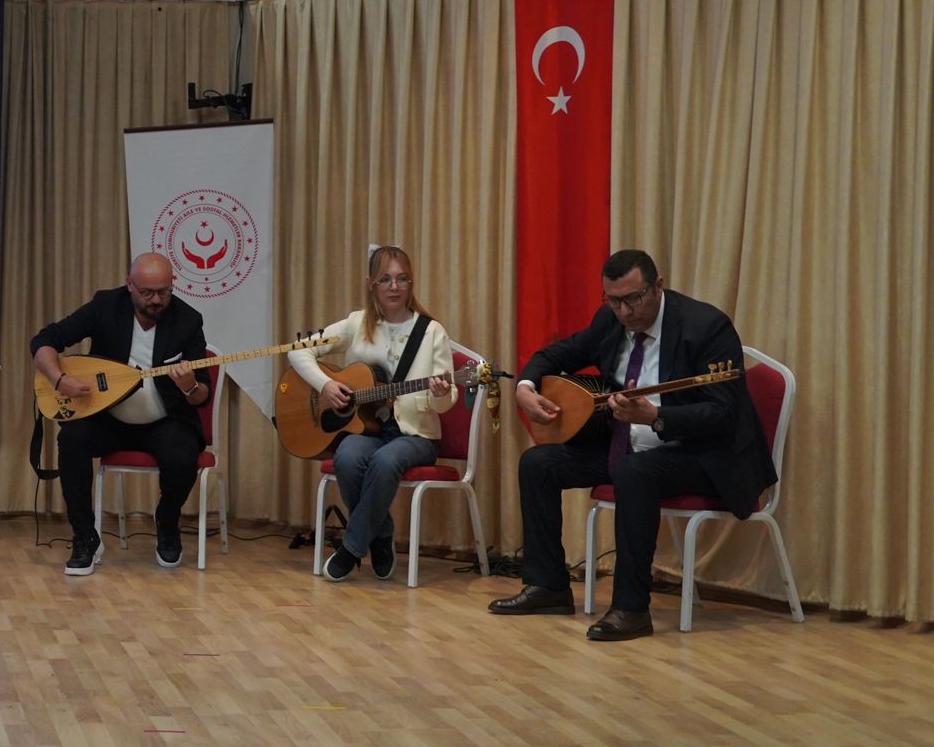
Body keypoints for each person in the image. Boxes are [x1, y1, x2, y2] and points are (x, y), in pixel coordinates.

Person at [489, 249, 776, 642]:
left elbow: (723, 414)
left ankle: (631, 608)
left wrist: (656, 415)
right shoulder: (609, 321)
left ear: (658, 286)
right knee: (539, 462)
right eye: (614, 300)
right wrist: (525, 387)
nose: (624, 311)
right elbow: (555, 354)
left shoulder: (706, 326)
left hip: (701, 454)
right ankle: (547, 586)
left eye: (634, 299)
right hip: (628, 445)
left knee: (633, 470)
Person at [31, 252, 210, 574]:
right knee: (72, 438)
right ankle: (85, 537)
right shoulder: (105, 306)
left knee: (183, 453)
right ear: (130, 285)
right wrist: (59, 379)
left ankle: (167, 521)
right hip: (108, 418)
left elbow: (202, 395)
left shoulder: (188, 320)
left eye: (164, 292)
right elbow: (45, 340)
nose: (157, 300)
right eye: (147, 292)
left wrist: (189, 386)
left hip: (163, 421)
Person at [288, 245, 457, 582]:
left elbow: (446, 399)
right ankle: (380, 533)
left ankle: (351, 549)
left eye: (402, 279)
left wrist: (440, 394)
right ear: (371, 284)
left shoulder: (431, 332)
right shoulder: (356, 324)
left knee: (384, 461)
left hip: (415, 435)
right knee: (347, 457)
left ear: (411, 283)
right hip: (367, 429)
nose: (394, 287)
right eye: (385, 279)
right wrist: (325, 385)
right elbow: (297, 351)